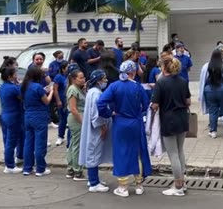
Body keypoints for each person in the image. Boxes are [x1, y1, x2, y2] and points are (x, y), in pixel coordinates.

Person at [97, 60, 152, 198]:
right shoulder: (138, 87)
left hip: (120, 122)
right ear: (132, 72)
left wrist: (109, 113)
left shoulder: (114, 86)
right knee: (138, 152)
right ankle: (139, 185)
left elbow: (101, 103)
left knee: (121, 153)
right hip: (136, 123)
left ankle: (123, 187)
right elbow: (146, 106)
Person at [151, 57, 191, 196]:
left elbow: (155, 105)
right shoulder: (183, 81)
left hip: (169, 119)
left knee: (172, 153)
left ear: (164, 67)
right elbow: (188, 101)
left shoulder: (161, 82)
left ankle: (178, 185)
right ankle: (183, 182)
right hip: (183, 118)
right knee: (180, 151)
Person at [79, 69, 112, 193]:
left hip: (94, 128)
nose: (106, 81)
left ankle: (94, 179)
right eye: (104, 79)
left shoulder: (93, 92)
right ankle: (94, 183)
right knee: (94, 153)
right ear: (98, 81)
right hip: (96, 129)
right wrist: (103, 127)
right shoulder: (96, 94)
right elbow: (96, 114)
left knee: (93, 152)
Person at [21, 66, 54, 176]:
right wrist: (51, 92)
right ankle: (40, 169)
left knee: (28, 143)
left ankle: (27, 168)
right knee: (40, 143)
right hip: (39, 116)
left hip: (28, 115)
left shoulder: (24, 86)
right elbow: (46, 101)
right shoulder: (38, 87)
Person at [199, 50, 223, 138]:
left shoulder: (206, 66)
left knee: (212, 111)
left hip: (209, 90)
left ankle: (213, 132)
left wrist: (202, 93)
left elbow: (202, 80)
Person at [0, 66, 23, 174]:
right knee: (11, 142)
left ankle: (10, 162)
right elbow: (21, 97)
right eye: (15, 74)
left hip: (4, 115)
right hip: (13, 116)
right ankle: (10, 166)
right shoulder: (13, 88)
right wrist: (19, 84)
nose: (16, 75)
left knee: (7, 139)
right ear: (10, 76)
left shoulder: (2, 87)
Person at [66, 69, 87, 181]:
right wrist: (82, 121)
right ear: (74, 79)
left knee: (73, 143)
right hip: (76, 119)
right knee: (77, 144)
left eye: (83, 77)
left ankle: (71, 168)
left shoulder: (79, 89)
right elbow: (73, 109)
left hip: (78, 118)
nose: (83, 79)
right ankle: (77, 170)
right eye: (81, 77)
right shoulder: (73, 89)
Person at [54, 61, 69, 146]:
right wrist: (58, 100)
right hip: (62, 101)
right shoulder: (58, 77)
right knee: (62, 119)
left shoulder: (70, 76)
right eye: (67, 67)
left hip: (69, 100)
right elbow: (55, 89)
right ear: (63, 68)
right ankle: (60, 136)